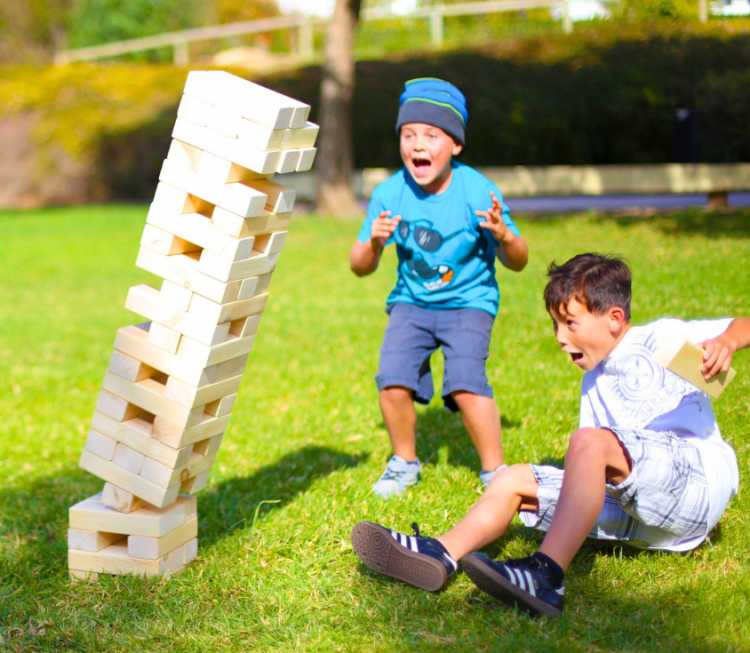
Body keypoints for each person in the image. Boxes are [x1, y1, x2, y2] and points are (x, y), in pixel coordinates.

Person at [351, 253, 745, 615]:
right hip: (647, 519)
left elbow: (741, 326)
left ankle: (546, 575)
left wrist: (726, 341)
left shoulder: (660, 338)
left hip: (698, 485)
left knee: (588, 443)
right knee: (512, 478)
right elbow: (594, 479)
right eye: (556, 324)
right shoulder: (593, 383)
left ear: (614, 317)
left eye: (570, 323)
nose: (559, 337)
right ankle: (441, 553)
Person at [350, 78, 529, 498]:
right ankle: (404, 463)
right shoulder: (389, 193)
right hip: (411, 302)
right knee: (392, 381)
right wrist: (374, 241)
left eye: (431, 135)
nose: (418, 144)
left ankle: (494, 471)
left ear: (456, 146)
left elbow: (519, 260)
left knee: (466, 382)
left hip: (469, 302)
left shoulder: (478, 191)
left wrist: (503, 233)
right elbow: (360, 266)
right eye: (408, 134)